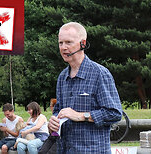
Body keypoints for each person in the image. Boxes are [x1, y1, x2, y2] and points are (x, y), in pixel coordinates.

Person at [48, 22, 123, 153]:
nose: (63, 47)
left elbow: (115, 113)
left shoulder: (99, 73)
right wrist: (54, 122)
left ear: (83, 43)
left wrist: (82, 116)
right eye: (60, 43)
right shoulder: (62, 77)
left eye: (68, 42)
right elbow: (58, 110)